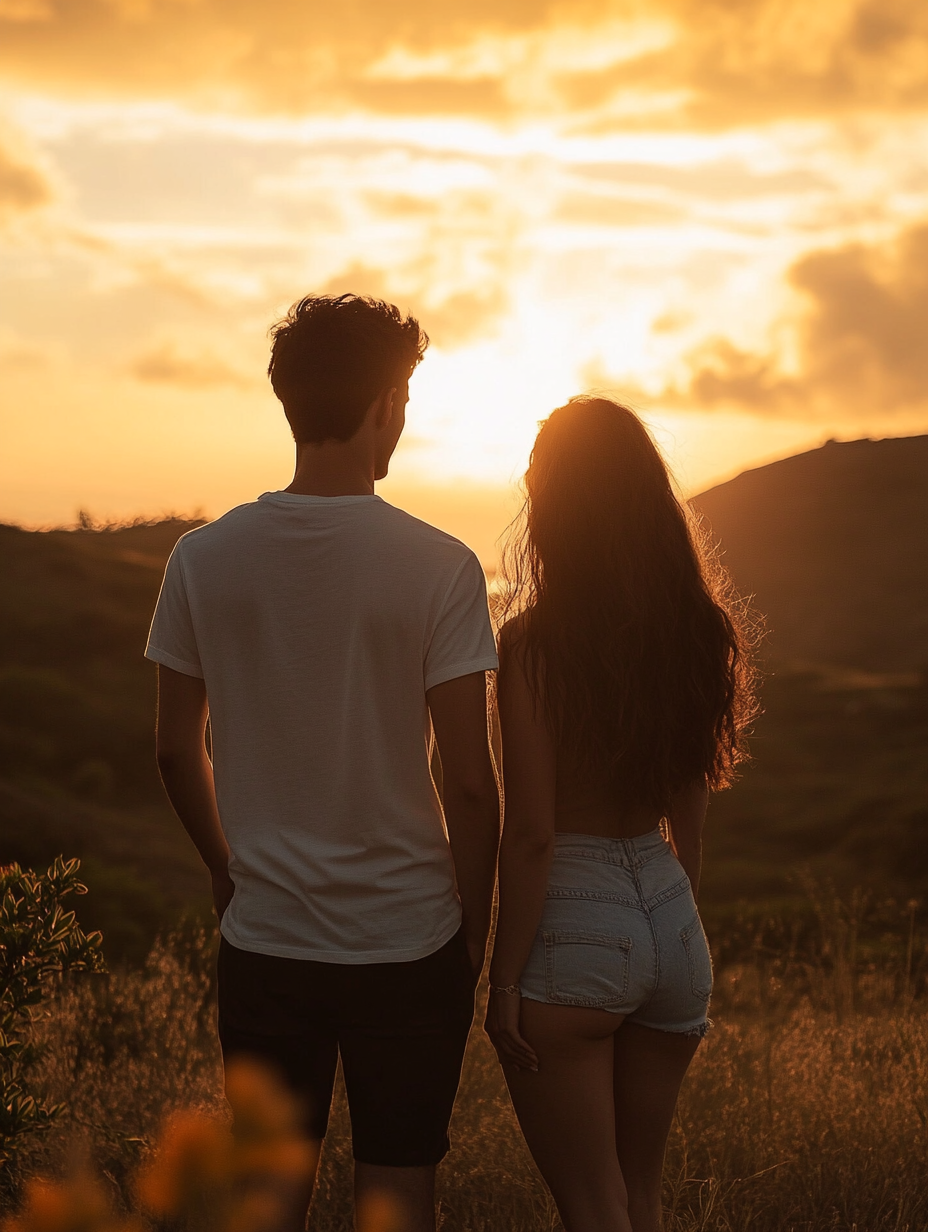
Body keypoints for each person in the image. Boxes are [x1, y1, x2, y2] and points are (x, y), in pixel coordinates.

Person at [146, 294, 501, 1232]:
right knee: (396, 1193)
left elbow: (176, 750)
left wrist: (227, 869)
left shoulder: (201, 559)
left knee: (267, 1200)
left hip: (265, 939)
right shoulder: (442, 566)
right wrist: (476, 924)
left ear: (289, 399)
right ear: (388, 402)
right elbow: (469, 780)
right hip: (412, 938)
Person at [486, 397, 756, 1232]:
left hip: (574, 919)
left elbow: (530, 834)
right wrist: (670, 931)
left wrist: (500, 984)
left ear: (553, 504)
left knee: (594, 1206)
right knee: (641, 1199)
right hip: (672, 919)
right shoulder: (696, 631)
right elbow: (693, 823)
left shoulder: (530, 646)